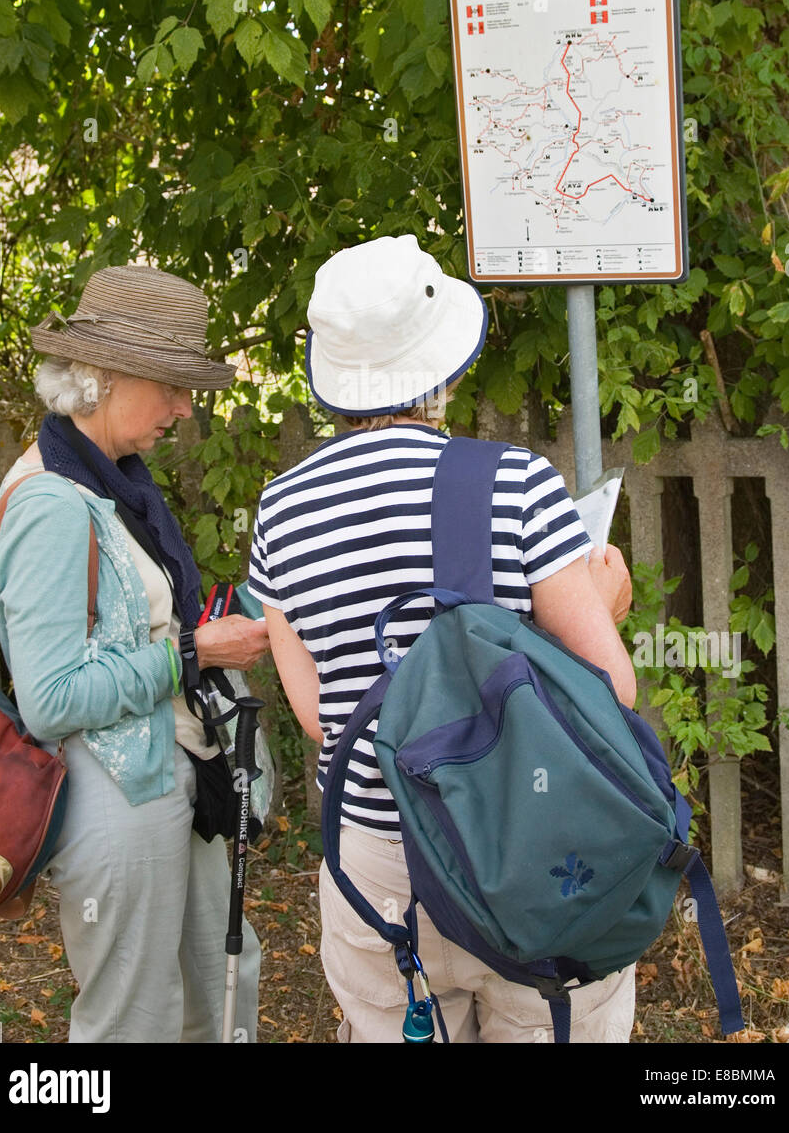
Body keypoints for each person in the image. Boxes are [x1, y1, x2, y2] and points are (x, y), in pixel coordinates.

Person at [248, 233, 638, 1044]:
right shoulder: (516, 482)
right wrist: (606, 598)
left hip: (377, 866)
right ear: (444, 366)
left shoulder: (279, 511)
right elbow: (610, 693)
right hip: (527, 848)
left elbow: (324, 716)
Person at [0, 265, 268, 1043]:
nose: (184, 406)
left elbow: (137, 623)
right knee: (133, 1023)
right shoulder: (49, 502)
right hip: (116, 791)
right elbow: (51, 699)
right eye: (171, 385)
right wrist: (194, 652)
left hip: (173, 771)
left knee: (221, 989)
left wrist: (207, 634)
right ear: (100, 378)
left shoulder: (117, 479)